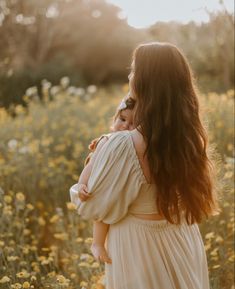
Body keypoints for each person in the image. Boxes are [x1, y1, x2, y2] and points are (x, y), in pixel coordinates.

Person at [72, 42, 220, 289]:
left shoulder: (123, 144)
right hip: (182, 238)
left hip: (139, 246)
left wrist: (78, 188)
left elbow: (94, 204)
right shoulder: (189, 138)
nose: (130, 76)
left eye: (133, 70)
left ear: (145, 81)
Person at [70, 95, 135, 264]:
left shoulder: (132, 143)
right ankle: (97, 244)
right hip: (101, 185)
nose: (125, 126)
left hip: (119, 186)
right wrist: (82, 184)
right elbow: (90, 167)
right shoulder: (107, 140)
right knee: (102, 214)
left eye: (132, 123)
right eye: (122, 119)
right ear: (114, 119)